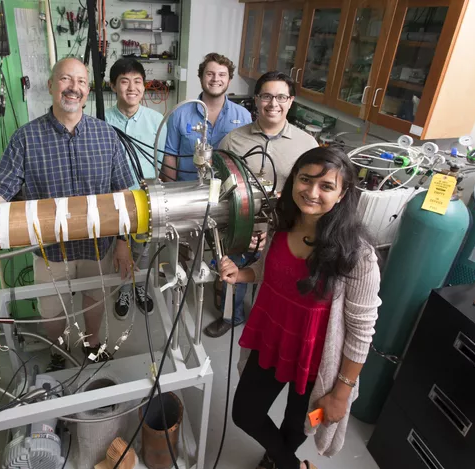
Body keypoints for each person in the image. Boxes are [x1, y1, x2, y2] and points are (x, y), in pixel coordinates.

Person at [0, 57, 135, 371]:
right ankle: (59, 353)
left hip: (97, 245)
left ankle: (92, 346)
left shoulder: (106, 136)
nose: (73, 88)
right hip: (49, 250)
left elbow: (124, 196)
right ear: (51, 85)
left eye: (80, 82)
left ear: (88, 90)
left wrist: (123, 242)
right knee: (52, 312)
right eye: (65, 79)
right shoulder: (26, 138)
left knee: (95, 298)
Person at [219, 147, 381, 469]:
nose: (312, 192)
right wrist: (242, 275)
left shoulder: (358, 255)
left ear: (343, 192)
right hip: (272, 340)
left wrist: (340, 394)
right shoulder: (282, 223)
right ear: (294, 180)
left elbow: (362, 333)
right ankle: (290, 464)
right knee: (245, 413)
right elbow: (269, 272)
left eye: (326, 186)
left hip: (318, 361)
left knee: (303, 422)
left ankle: (277, 458)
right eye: (305, 180)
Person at [205, 71, 318, 338]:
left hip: (285, 231)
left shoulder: (307, 145)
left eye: (281, 97)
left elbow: (311, 196)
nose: (273, 103)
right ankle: (231, 317)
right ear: (256, 100)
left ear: (291, 101)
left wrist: (277, 227)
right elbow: (217, 185)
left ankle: (267, 323)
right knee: (234, 276)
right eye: (266, 96)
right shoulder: (233, 140)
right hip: (239, 226)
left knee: (277, 281)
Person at [105, 57, 166, 320]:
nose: (132, 87)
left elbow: (162, 161)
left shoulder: (157, 120)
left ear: (145, 85)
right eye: (125, 81)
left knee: (142, 250)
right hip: (111, 199)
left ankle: (140, 287)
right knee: (117, 250)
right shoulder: (99, 120)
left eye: (137, 81)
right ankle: (123, 290)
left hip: (146, 199)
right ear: (113, 86)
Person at [162, 52, 251, 182]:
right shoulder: (179, 113)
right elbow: (170, 154)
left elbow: (246, 158)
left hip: (228, 192)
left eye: (222, 75)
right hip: (187, 190)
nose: (216, 79)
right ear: (201, 77)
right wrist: (172, 190)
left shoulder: (243, 116)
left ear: (229, 80)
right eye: (210, 74)